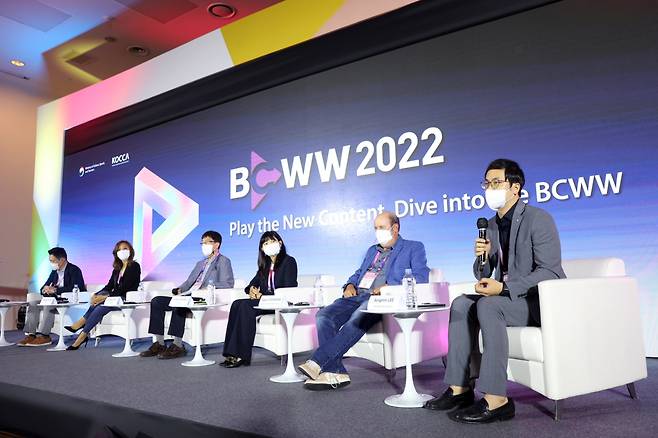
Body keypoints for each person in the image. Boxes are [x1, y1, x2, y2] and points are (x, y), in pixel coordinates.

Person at [423, 159, 566, 423]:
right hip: (506, 297)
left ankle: (497, 399)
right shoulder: (489, 224)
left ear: (515, 187)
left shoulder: (539, 219)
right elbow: (482, 273)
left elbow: (551, 272)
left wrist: (505, 287)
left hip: (536, 302)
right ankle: (460, 389)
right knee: (461, 304)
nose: (490, 188)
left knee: (488, 305)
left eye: (496, 182)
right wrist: (484, 258)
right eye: (486, 183)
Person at [299, 211, 430, 390]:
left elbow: (421, 277)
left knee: (359, 316)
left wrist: (389, 288)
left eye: (382, 228)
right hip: (358, 294)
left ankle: (318, 361)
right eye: (375, 228)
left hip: (381, 299)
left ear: (396, 228)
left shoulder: (413, 247)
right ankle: (335, 372)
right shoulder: (372, 250)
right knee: (323, 315)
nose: (378, 231)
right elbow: (359, 272)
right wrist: (350, 285)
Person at [140, 231, 234, 359]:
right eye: (202, 243)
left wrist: (208, 288)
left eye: (207, 242)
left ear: (216, 244)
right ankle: (159, 343)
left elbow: (228, 283)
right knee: (157, 301)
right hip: (188, 295)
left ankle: (177, 346)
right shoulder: (200, 263)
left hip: (203, 298)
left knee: (180, 303)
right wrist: (180, 289)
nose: (204, 245)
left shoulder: (223, 261)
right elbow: (189, 282)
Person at [220, 231, 297, 368]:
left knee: (245, 307)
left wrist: (263, 296)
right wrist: (251, 290)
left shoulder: (289, 261)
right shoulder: (264, 266)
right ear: (262, 248)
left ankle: (241, 355)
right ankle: (230, 353)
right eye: (265, 243)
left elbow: (288, 288)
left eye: (271, 242)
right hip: (265, 302)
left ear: (280, 243)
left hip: (280, 303)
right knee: (237, 304)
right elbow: (250, 285)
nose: (268, 245)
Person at [65, 240, 141, 350]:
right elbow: (109, 286)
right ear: (116, 253)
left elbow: (124, 288)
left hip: (125, 298)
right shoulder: (117, 269)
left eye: (125, 249)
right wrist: (96, 295)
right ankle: (81, 326)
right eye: (119, 250)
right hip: (114, 298)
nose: (122, 251)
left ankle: (82, 334)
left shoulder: (134, 266)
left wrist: (105, 298)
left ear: (130, 251)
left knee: (99, 308)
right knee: (97, 301)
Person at [18, 247, 86, 347]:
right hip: (53, 298)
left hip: (68, 301)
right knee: (33, 303)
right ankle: (31, 334)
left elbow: (76, 287)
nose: (51, 263)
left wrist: (55, 290)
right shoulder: (54, 271)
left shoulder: (74, 270)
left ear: (62, 260)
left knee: (48, 304)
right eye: (50, 261)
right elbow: (44, 286)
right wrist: (44, 289)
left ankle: (45, 336)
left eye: (53, 261)